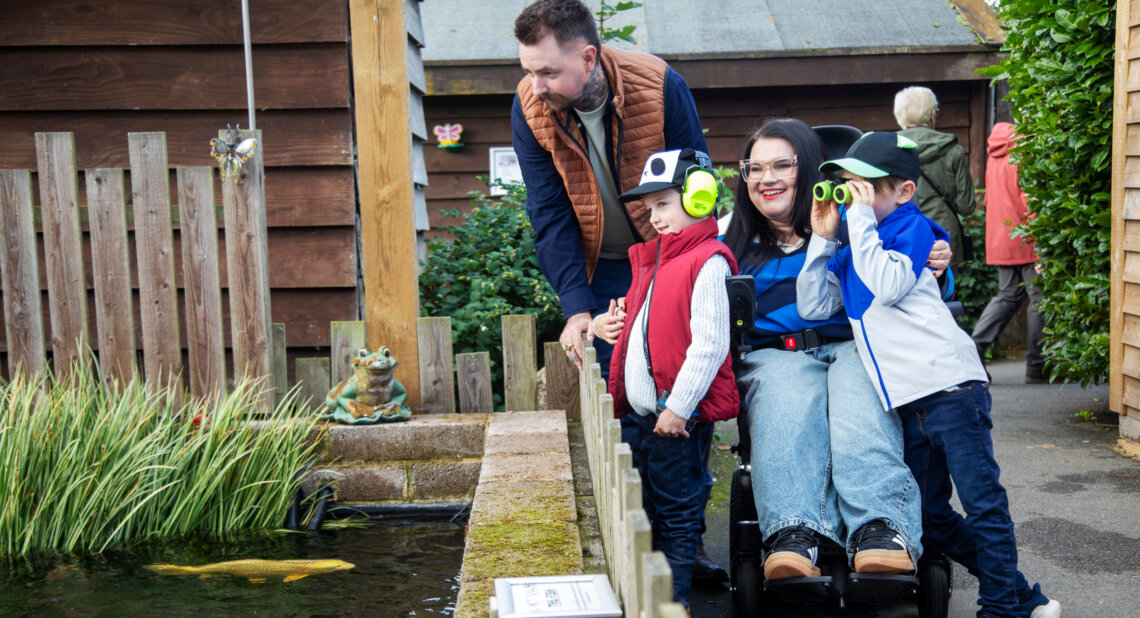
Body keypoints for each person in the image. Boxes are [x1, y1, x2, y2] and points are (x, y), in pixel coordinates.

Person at [798, 131, 1062, 618]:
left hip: (952, 391)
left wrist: (858, 222)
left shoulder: (912, 229)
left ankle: (1001, 607)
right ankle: (1023, 596)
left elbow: (890, 284)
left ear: (903, 191)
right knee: (931, 518)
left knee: (983, 505)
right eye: (847, 186)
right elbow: (813, 305)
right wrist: (821, 237)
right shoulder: (858, 247)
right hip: (909, 401)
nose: (853, 196)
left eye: (865, 187)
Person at [512, 0, 726, 582]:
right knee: (627, 403)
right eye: (529, 69)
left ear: (588, 56)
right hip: (605, 268)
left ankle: (686, 541)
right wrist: (576, 308)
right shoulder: (530, 106)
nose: (536, 84)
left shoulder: (660, 85)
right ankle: (644, 547)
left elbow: (695, 178)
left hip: (671, 259)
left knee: (684, 396)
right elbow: (549, 210)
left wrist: (687, 267)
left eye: (548, 71)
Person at [721, 118, 934, 581]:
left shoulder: (856, 224)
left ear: (812, 169)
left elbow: (914, 273)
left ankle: (881, 529)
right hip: (774, 354)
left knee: (860, 394)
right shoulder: (728, 239)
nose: (766, 178)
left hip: (854, 345)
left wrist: (937, 260)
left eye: (782, 165)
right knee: (788, 394)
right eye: (754, 168)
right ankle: (793, 533)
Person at [591, 148, 737, 608]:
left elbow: (710, 344)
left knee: (675, 514)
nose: (653, 217)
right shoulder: (656, 261)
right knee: (653, 508)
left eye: (663, 204)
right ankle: (658, 600)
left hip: (675, 418)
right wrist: (602, 325)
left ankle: (675, 605)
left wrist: (679, 408)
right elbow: (644, 328)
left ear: (698, 199)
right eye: (649, 208)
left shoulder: (707, 261)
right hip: (650, 416)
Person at [971, 122, 1048, 383]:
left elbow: (992, 200)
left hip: (1002, 236)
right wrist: (1041, 242)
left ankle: (975, 349)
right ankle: (1037, 365)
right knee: (1039, 298)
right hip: (1025, 236)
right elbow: (1030, 200)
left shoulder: (994, 156)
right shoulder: (1022, 153)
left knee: (1008, 296)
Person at [895, 86, 976, 266]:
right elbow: (966, 206)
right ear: (932, 114)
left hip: (900, 235)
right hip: (942, 238)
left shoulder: (887, 150)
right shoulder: (953, 151)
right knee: (942, 291)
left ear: (899, 116)